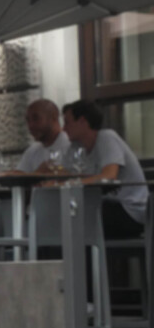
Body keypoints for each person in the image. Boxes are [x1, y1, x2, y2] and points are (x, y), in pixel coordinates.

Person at [61, 100, 148, 238]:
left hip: (130, 211)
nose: (63, 129)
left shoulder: (107, 138)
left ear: (83, 121)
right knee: (60, 215)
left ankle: (87, 259)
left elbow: (109, 176)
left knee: (77, 216)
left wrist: (70, 183)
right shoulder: (75, 147)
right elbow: (62, 174)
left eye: (67, 122)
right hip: (104, 206)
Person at [16, 99, 72, 173]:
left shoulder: (70, 146)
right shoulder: (32, 151)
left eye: (36, 119)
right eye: (28, 120)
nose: (30, 125)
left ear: (53, 117)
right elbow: (18, 180)